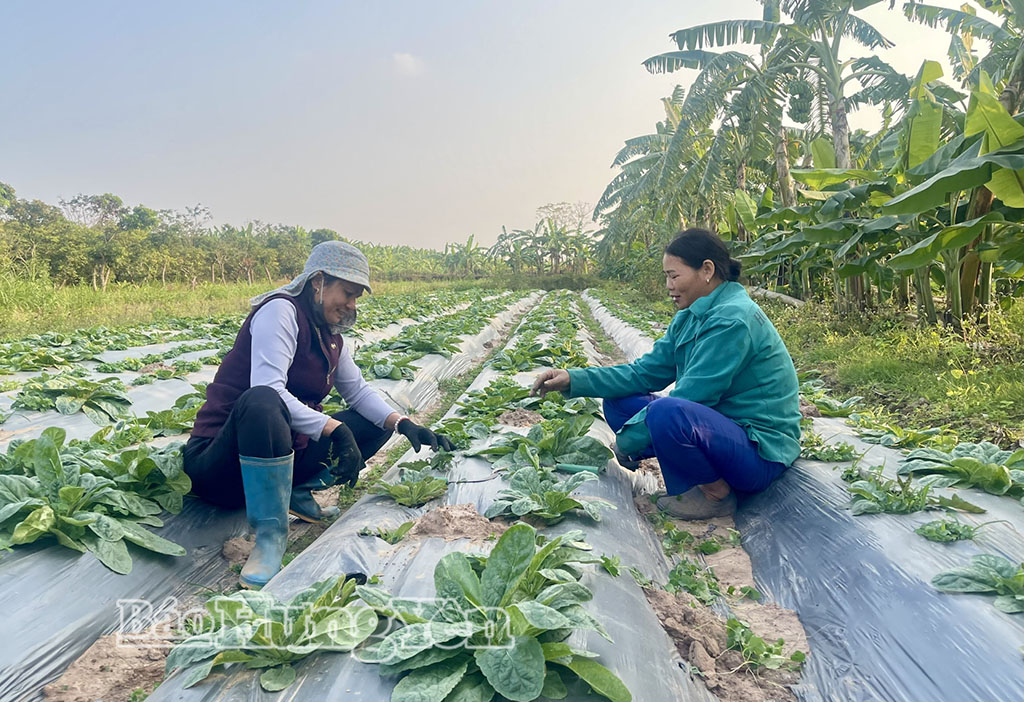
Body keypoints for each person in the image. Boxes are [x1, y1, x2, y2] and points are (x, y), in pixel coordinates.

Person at [184, 240, 453, 588]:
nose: (352, 305)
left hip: (281, 453)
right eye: (348, 293)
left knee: (374, 423)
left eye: (357, 297)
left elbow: (356, 390)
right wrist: (333, 429)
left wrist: (404, 424)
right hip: (221, 466)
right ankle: (270, 535)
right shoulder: (280, 312)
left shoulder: (331, 336)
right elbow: (270, 390)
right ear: (318, 282)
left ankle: (294, 491)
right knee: (263, 400)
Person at [531, 228, 800, 520]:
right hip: (721, 431)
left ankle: (715, 494)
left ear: (706, 270)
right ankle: (689, 471)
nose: (668, 285)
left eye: (674, 276)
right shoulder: (692, 314)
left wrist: (624, 443)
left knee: (666, 412)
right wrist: (574, 378)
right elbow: (645, 372)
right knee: (620, 401)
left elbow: (695, 396)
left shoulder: (732, 319)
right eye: (666, 277)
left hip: (758, 450)